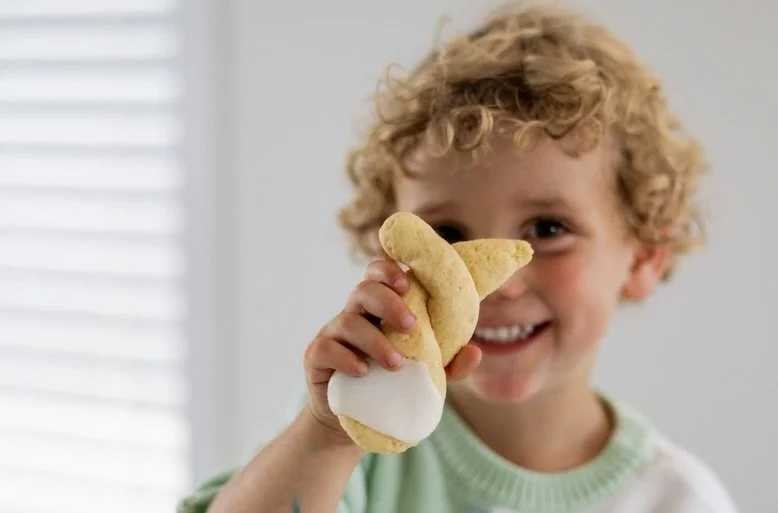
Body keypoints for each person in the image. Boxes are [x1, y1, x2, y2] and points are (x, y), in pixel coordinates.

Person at [178, 1, 738, 512]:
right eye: (445, 232)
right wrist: (327, 436)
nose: (491, 288)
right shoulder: (355, 436)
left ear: (643, 258)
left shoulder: (678, 499)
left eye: (548, 228)